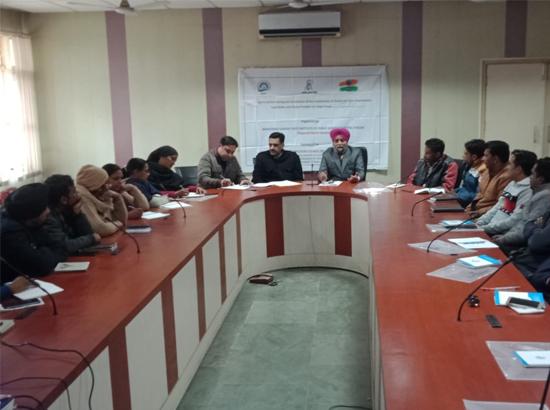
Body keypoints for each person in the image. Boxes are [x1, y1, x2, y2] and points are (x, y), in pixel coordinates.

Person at [0, 183, 66, 284]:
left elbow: (61, 248)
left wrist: (42, 252)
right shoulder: (9, 232)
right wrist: (44, 252)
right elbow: (41, 266)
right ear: (33, 212)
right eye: (44, 208)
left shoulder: (30, 222)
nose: (48, 211)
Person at [476, 150, 537, 239]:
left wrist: (484, 228)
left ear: (519, 169)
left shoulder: (527, 190)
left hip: (500, 235)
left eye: (510, 164)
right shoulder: (512, 183)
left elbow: (514, 220)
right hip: (489, 228)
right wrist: (480, 222)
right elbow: (497, 207)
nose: (508, 167)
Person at [492, 157, 550, 249]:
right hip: (509, 236)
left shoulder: (544, 197)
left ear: (540, 179)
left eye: (532, 174)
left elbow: (527, 229)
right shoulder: (537, 192)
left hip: (519, 245)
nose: (530, 177)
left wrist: (504, 238)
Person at [43, 174, 101, 255]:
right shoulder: (49, 218)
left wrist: (78, 215)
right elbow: (64, 246)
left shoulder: (66, 210)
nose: (78, 195)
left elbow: (87, 234)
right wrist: (91, 239)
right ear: (63, 200)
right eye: (74, 192)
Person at [75, 165, 128, 237]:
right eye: (103, 185)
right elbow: (101, 229)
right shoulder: (82, 196)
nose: (106, 188)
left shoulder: (96, 196)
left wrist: (118, 198)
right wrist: (119, 223)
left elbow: (119, 220)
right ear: (93, 184)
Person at [466, 140, 511, 216]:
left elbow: (500, 205)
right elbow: (479, 195)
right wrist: (467, 210)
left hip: (486, 216)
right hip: (474, 212)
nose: (482, 159)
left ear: (495, 159)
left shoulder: (506, 177)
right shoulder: (487, 170)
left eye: (485, 156)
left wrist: (479, 212)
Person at [454, 139, 487, 207]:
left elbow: (478, 195)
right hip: (460, 198)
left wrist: (456, 196)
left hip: (468, 204)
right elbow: (464, 187)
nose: (463, 156)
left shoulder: (483, 171)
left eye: (466, 154)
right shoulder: (469, 166)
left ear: (474, 157)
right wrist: (452, 192)